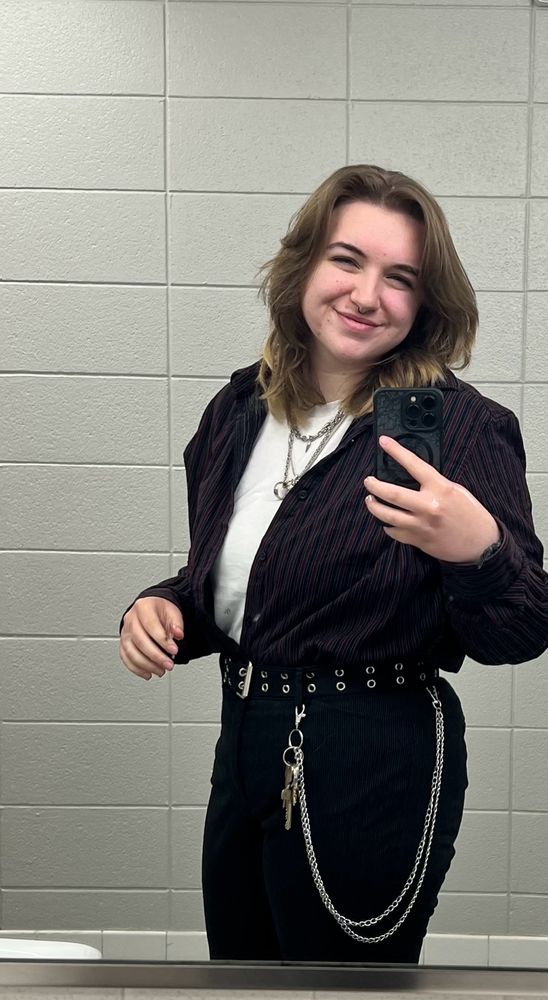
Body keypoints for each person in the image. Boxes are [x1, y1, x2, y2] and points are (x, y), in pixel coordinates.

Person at [119, 164, 547, 964]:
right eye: (346, 260)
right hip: (247, 745)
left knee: (346, 988)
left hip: (372, 756)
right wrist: (165, 606)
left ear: (424, 304)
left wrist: (477, 550)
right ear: (305, 266)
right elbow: (239, 584)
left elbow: (522, 627)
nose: (366, 294)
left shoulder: (466, 429)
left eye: (400, 278)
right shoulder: (240, 407)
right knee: (241, 977)